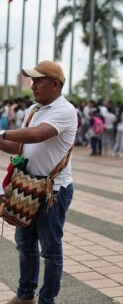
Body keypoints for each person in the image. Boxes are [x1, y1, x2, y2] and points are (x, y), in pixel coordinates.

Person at [2, 61, 77, 304]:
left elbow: (38, 135)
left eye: (38, 80)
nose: (32, 85)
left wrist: (2, 133)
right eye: (32, 81)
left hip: (52, 191)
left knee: (50, 250)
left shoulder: (64, 110)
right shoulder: (33, 110)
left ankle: (47, 300)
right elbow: (20, 146)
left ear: (55, 85)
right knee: (24, 244)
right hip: (27, 187)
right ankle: (26, 296)